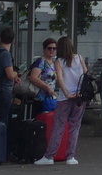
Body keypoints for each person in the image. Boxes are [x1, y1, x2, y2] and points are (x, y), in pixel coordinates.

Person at [35, 36, 87, 166]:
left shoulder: (59, 61)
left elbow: (60, 80)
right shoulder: (80, 58)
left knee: (58, 126)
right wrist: (79, 92)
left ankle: (49, 156)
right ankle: (70, 157)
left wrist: (66, 93)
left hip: (65, 98)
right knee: (74, 127)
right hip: (80, 97)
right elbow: (86, 75)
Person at [0, 28, 21, 136]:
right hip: (4, 90)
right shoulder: (5, 54)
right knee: (3, 120)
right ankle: (1, 147)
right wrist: (16, 74)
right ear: (13, 41)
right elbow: (10, 75)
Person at [27, 38, 59, 112]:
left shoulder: (53, 63)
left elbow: (52, 79)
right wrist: (47, 88)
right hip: (40, 98)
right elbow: (33, 77)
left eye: (54, 48)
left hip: (50, 98)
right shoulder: (41, 61)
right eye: (49, 48)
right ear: (44, 49)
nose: (52, 50)